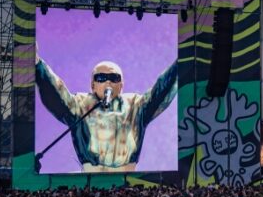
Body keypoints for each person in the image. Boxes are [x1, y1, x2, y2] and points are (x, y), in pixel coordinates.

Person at [35, 52, 178, 172]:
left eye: (114, 78)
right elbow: (56, 94)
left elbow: (161, 89)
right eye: (101, 78)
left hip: (127, 181)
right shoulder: (80, 105)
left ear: (121, 85)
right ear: (93, 85)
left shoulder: (136, 105)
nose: (108, 82)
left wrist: (180, 64)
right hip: (90, 181)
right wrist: (37, 64)